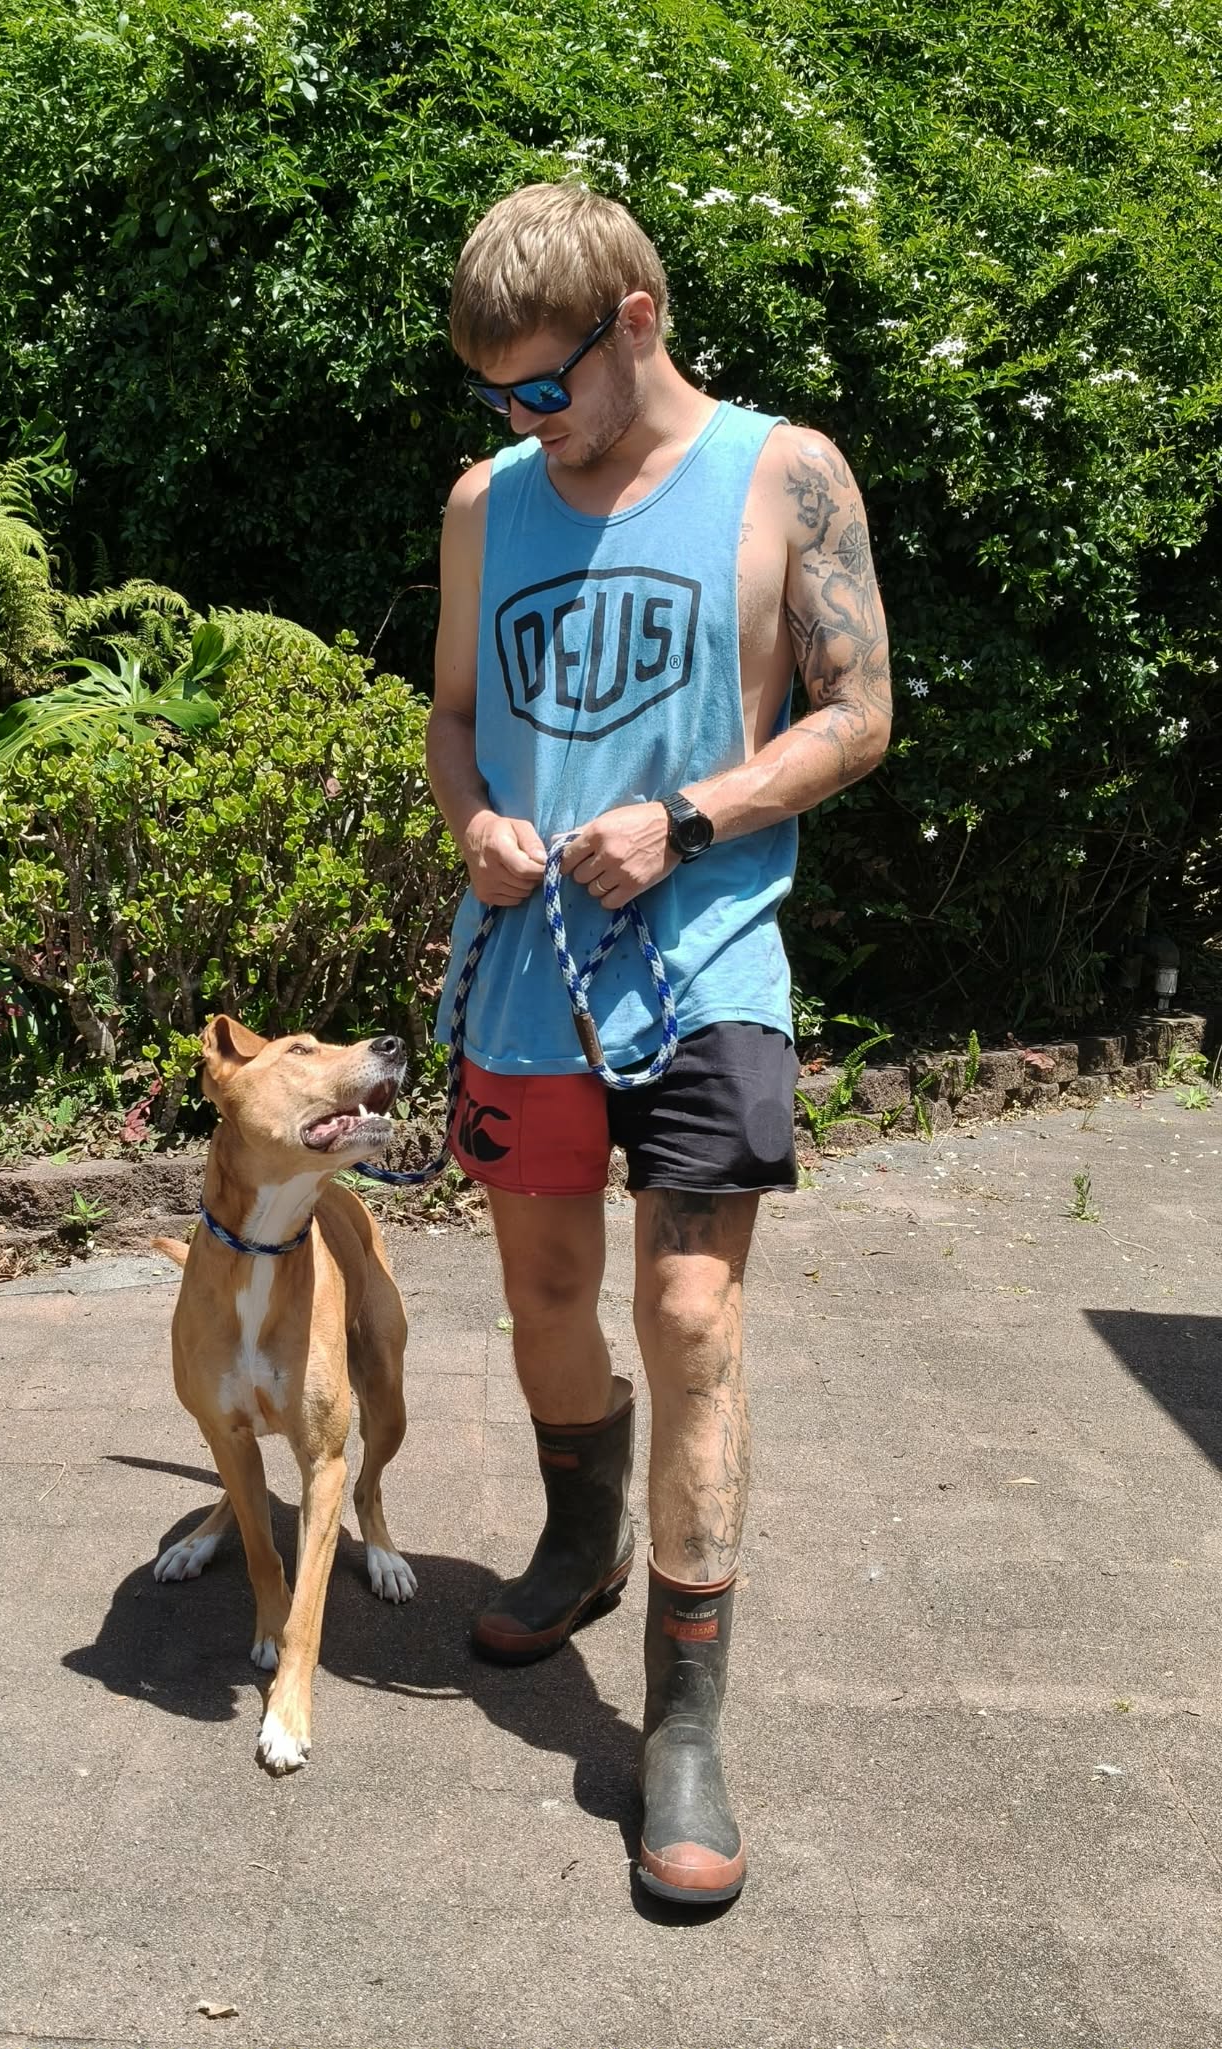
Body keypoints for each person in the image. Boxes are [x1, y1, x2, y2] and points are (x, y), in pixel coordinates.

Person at [426, 181, 891, 1906]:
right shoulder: (489, 506)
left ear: (635, 322)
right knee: (545, 1295)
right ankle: (578, 1531)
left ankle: (684, 1715)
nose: (522, 423)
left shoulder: (786, 475)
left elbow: (861, 712)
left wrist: (687, 816)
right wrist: (474, 819)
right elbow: (458, 716)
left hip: (705, 961)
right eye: (495, 400)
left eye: (545, 386)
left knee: (687, 1308)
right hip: (526, 978)